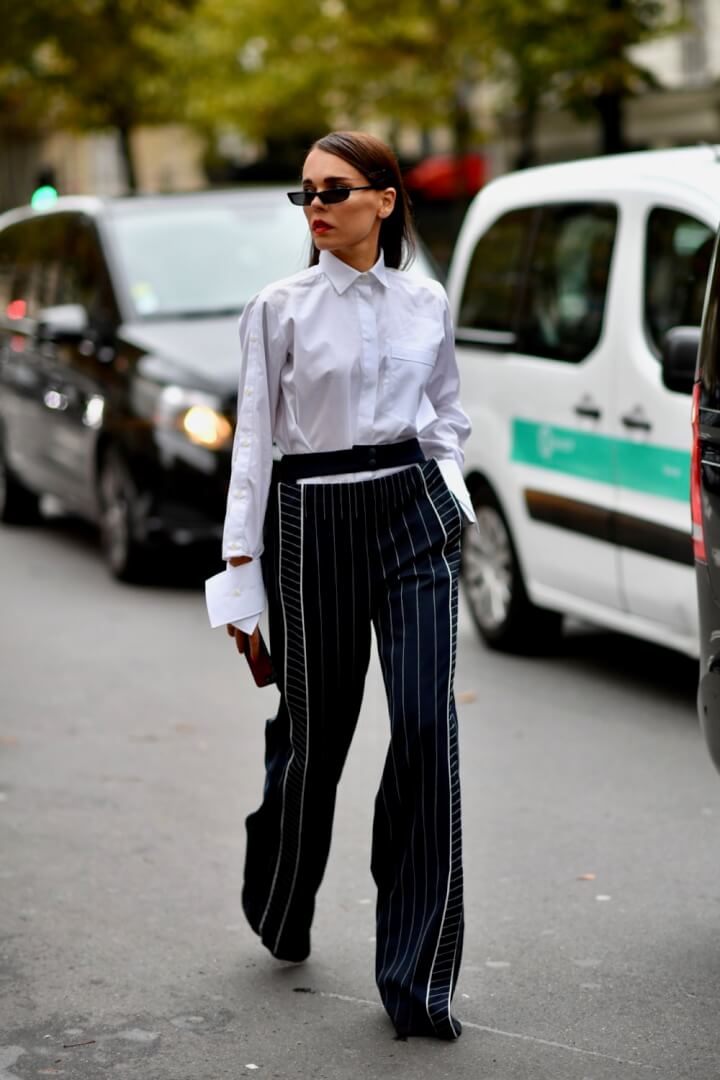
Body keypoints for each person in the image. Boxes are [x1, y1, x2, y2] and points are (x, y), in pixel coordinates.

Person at [205, 130, 475, 1041]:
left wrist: (449, 493)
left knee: (428, 730)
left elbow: (446, 413)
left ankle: (419, 981)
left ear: (385, 201)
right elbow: (252, 448)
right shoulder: (277, 308)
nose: (315, 207)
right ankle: (283, 898)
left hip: (412, 514)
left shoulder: (426, 301)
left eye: (334, 190)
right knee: (315, 740)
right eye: (306, 193)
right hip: (312, 518)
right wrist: (239, 585)